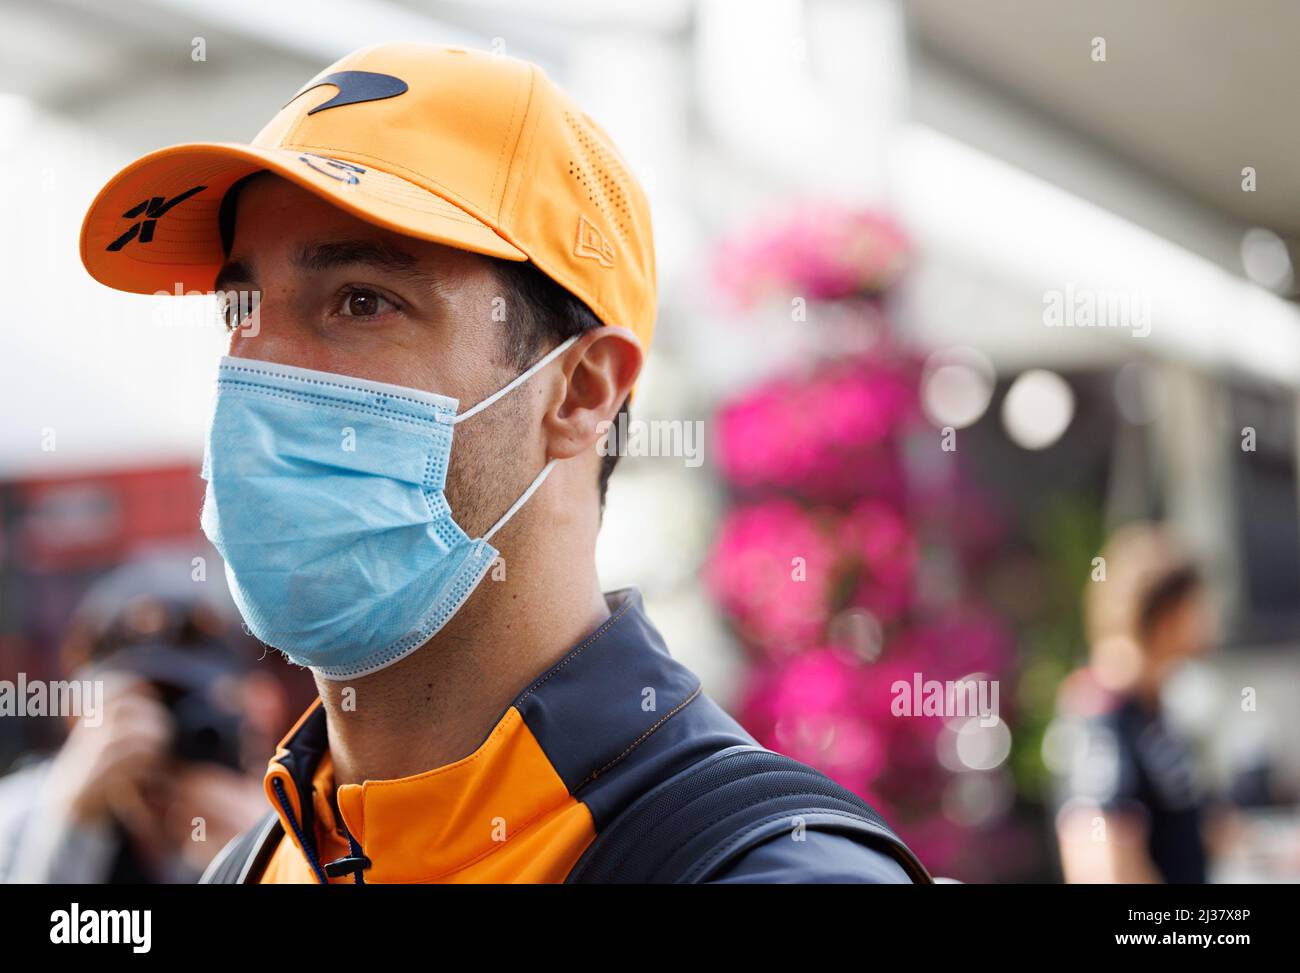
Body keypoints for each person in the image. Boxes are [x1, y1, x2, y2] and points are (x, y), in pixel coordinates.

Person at [78, 43, 923, 883]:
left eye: (363, 301)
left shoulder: (761, 869)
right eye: (240, 304)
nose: (258, 376)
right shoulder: (251, 866)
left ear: (582, 391)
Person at [0, 553, 280, 883]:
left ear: (255, 710)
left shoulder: (289, 814)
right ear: (77, 717)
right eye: (137, 708)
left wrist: (263, 855)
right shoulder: (19, 817)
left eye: (187, 706)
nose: (164, 740)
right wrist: (71, 824)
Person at [1053, 523, 1217, 883]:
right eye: (1196, 607)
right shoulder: (1102, 715)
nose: (1209, 621)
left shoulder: (1152, 710)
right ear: (1165, 616)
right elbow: (1099, 862)